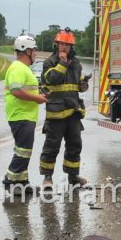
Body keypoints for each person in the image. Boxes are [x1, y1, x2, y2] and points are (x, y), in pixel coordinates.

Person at [39, 28, 89, 189]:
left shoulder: (76, 64)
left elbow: (78, 84)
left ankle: (73, 177)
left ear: (71, 46)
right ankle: (47, 178)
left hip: (73, 112)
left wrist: (83, 85)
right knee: (52, 146)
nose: (64, 47)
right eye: (62, 44)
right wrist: (62, 63)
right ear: (56, 44)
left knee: (75, 145)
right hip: (56, 114)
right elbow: (51, 79)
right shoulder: (50, 62)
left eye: (67, 44)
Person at [3, 35, 47, 194]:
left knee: (25, 150)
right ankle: (11, 182)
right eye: (34, 50)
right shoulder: (18, 68)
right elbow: (16, 90)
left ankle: (22, 182)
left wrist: (39, 94)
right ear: (27, 50)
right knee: (23, 151)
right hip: (21, 116)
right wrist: (37, 99)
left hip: (25, 115)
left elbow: (25, 88)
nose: (35, 53)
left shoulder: (23, 68)